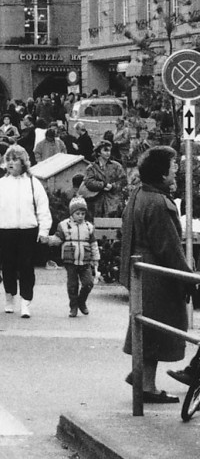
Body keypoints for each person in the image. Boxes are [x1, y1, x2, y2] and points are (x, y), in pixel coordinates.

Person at [119, 146, 192, 403]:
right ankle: (146, 385)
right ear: (162, 173)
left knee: (148, 329)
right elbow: (169, 248)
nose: (176, 170)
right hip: (159, 278)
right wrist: (187, 278)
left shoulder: (140, 194)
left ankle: (141, 377)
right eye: (173, 165)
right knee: (159, 330)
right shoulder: (160, 203)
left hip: (143, 274)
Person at [0, 145, 52, 318]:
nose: (11, 163)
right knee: (8, 266)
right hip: (6, 230)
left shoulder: (33, 183)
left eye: (15, 160)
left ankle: (25, 301)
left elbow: (43, 208)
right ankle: (9, 297)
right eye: (8, 160)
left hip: (28, 231)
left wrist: (43, 230)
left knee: (27, 266)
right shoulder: (1, 184)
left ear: (23, 163)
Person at [49, 196, 98, 318]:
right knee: (72, 285)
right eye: (78, 213)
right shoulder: (64, 225)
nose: (81, 216)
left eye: (83, 213)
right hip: (70, 260)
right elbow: (58, 239)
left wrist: (95, 257)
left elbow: (93, 244)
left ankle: (81, 301)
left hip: (85, 260)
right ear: (72, 213)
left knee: (88, 283)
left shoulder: (89, 227)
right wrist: (48, 240)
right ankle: (73, 306)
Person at [83, 140, 126, 219]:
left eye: (109, 150)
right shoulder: (91, 168)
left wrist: (113, 186)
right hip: (96, 202)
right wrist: (103, 185)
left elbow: (123, 181)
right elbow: (88, 182)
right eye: (105, 150)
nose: (108, 153)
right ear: (98, 152)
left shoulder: (116, 166)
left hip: (113, 202)